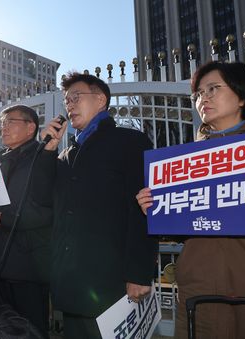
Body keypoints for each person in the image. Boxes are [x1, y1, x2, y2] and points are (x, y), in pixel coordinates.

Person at [136, 61, 245, 339]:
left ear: (241, 96)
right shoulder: (184, 162)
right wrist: (157, 208)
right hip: (198, 292)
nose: (204, 98)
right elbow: (187, 228)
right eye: (199, 94)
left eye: (214, 88)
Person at [40, 72, 158, 338]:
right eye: (66, 100)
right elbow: (44, 199)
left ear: (101, 99)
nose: (69, 104)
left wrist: (139, 272)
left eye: (76, 97)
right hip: (72, 281)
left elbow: (144, 208)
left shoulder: (129, 141)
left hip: (112, 279)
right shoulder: (65, 153)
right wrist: (47, 151)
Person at [0, 105, 53, 336]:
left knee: (30, 331)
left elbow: (47, 213)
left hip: (27, 270)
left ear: (30, 127)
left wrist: (0, 219)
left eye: (10, 122)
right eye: (1, 123)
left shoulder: (44, 158)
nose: (3, 128)